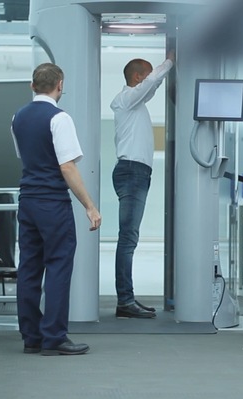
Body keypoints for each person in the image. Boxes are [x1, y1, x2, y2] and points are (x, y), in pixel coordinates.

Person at [11, 63, 101, 355]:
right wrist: (90, 206)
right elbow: (67, 167)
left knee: (29, 267)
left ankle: (31, 336)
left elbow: (24, 157)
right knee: (59, 265)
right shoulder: (59, 118)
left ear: (32, 85)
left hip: (27, 201)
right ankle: (54, 338)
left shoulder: (18, 118)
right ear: (59, 84)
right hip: (52, 201)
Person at [110, 50, 175, 319]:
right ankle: (125, 300)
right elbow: (150, 84)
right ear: (137, 77)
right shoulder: (126, 99)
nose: (151, 79)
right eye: (147, 74)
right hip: (132, 172)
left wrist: (163, 72)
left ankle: (127, 299)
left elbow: (152, 87)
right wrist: (169, 61)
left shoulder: (136, 103)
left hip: (137, 173)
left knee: (128, 238)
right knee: (128, 239)